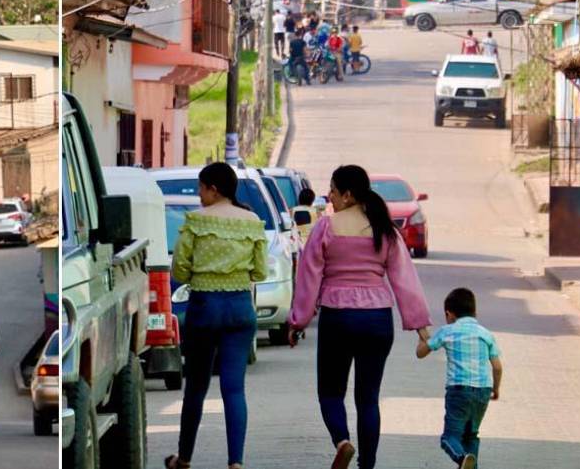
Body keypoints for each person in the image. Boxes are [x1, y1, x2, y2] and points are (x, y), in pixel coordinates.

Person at [288, 165, 431, 469]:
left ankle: (342, 442)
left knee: (330, 393)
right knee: (368, 399)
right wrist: (420, 325)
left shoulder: (326, 227)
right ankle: (367, 465)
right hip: (377, 319)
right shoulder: (384, 229)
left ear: (348, 195)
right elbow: (404, 279)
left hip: (337, 318)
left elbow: (308, 278)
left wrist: (298, 320)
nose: (329, 197)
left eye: (333, 191)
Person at [165, 163, 266, 469]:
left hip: (204, 308)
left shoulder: (196, 220)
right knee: (234, 389)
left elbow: (179, 269)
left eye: (201, 188)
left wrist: (200, 274)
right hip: (240, 308)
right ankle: (236, 462)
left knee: (196, 388)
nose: (199, 194)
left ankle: (184, 458)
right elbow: (260, 271)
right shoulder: (252, 222)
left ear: (214, 188)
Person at [415, 288, 503, 469]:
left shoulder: (447, 331)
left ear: (449, 314)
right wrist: (495, 389)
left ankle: (462, 459)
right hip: (483, 391)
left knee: (450, 438)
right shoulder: (486, 334)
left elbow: (421, 353)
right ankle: (469, 464)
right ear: (475, 312)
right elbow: (497, 367)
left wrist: (422, 334)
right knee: (471, 436)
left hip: (458, 390)